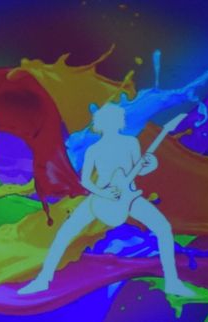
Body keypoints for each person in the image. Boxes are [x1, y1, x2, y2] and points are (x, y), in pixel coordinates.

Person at [17, 102, 195, 299]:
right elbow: (85, 181)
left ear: (120, 122)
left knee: (163, 227)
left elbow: (138, 170)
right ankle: (43, 280)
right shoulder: (94, 150)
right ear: (100, 124)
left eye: (115, 120)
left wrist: (150, 164)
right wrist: (104, 193)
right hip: (100, 197)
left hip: (129, 196)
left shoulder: (131, 143)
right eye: (107, 120)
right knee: (65, 233)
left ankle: (172, 281)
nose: (111, 124)